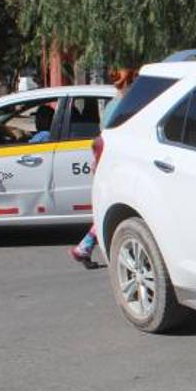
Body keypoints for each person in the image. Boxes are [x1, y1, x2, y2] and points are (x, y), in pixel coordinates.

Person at [71, 68, 137, 268]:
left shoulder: (113, 104)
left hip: (106, 159)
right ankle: (85, 248)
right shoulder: (125, 105)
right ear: (129, 82)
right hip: (115, 162)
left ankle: (84, 248)